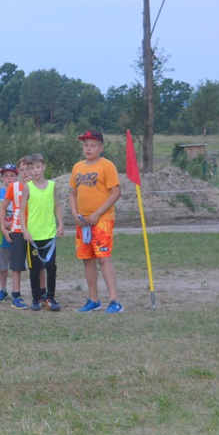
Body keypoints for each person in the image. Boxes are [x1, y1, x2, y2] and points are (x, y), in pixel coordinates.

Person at [70, 129, 123, 313]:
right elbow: (73, 192)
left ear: (100, 148)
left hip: (102, 219)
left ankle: (114, 301)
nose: (88, 148)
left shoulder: (106, 166)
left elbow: (116, 192)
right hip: (83, 221)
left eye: (93, 145)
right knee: (87, 259)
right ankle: (93, 300)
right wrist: (74, 213)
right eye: (86, 145)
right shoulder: (77, 167)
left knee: (103, 258)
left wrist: (98, 213)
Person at [20, 152, 63, 311]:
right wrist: (24, 230)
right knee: (35, 269)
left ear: (44, 167)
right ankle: (36, 298)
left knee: (51, 266)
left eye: (38, 167)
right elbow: (21, 211)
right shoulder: (27, 187)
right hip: (33, 236)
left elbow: (57, 206)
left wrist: (61, 224)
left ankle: (50, 297)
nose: (35, 170)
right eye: (32, 168)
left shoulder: (52, 186)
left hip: (49, 234)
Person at [0, 155, 33, 309]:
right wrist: (3, 227)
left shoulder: (37, 186)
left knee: (38, 265)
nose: (26, 172)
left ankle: (41, 294)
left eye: (28, 169)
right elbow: (3, 207)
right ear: (19, 171)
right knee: (16, 265)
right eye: (22, 170)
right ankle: (16, 296)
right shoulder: (13, 187)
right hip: (18, 230)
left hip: (35, 230)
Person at [0, 163, 17, 303]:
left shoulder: (20, 191)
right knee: (2, 265)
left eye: (12, 175)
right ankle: (3, 289)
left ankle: (16, 290)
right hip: (2, 235)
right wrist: (3, 224)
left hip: (17, 232)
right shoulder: (0, 194)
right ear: (2, 178)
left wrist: (13, 223)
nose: (9, 178)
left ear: (17, 176)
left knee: (16, 265)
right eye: (6, 176)